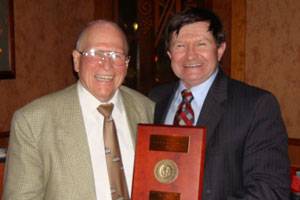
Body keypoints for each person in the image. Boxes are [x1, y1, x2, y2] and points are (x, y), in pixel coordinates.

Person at [149, 7, 290, 200]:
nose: (190, 55)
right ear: (169, 53)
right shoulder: (152, 100)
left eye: (201, 44)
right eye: (180, 46)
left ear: (220, 49)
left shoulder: (256, 105)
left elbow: (270, 189)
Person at [3, 20, 154, 200]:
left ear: (127, 64)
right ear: (76, 60)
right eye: (95, 53)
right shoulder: (33, 122)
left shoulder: (148, 110)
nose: (107, 65)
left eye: (116, 55)